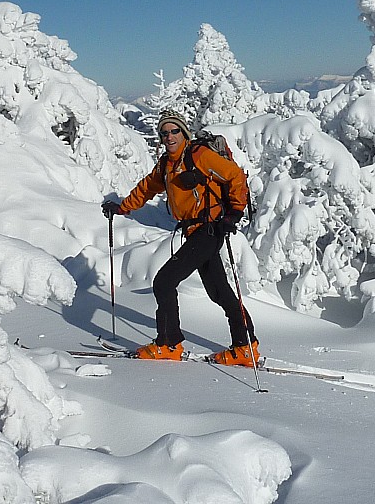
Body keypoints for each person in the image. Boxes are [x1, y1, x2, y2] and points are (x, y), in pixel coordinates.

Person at [101, 109, 259, 366]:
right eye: (164, 132)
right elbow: (147, 187)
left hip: (209, 229)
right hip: (195, 231)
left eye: (174, 130)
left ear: (183, 132)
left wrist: (235, 212)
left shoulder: (199, 155)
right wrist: (122, 207)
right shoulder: (167, 164)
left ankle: (168, 343)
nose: (169, 136)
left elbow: (235, 176)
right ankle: (244, 347)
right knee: (219, 292)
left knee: (164, 282)